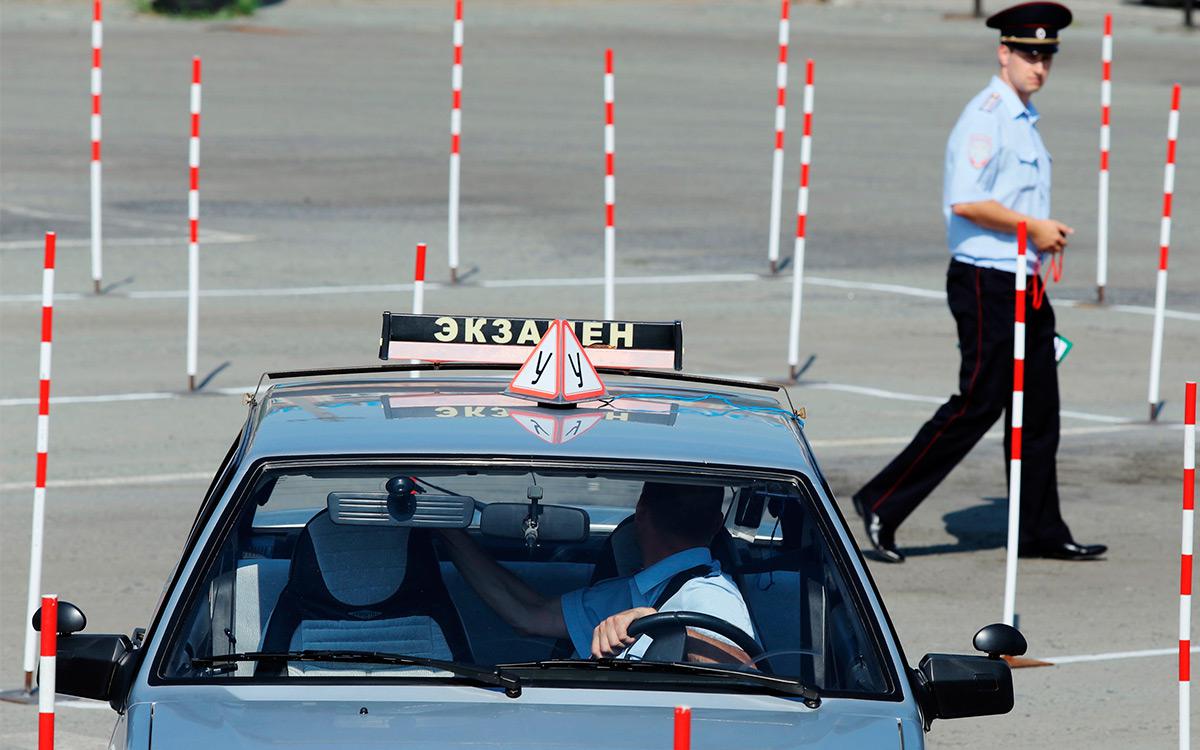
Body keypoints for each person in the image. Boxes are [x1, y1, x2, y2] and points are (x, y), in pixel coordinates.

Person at [851, 1, 1106, 564]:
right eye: (1028, 54)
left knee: (1039, 408)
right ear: (1004, 53)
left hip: (1025, 279)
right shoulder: (987, 115)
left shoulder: (1022, 117)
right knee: (978, 403)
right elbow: (965, 201)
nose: (1038, 66)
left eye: (1046, 56)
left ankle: (1039, 528)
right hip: (987, 280)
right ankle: (882, 501)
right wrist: (1034, 226)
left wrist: (1039, 234)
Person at [438, 481, 756, 661]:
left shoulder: (711, 595)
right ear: (717, 525)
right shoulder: (629, 592)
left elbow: (745, 677)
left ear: (640, 512)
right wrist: (446, 531)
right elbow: (528, 614)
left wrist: (667, 628)